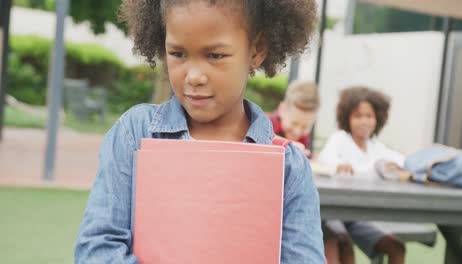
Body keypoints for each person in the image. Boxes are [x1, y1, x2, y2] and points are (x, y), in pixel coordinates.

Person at [74, 1, 325, 263]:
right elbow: (97, 249)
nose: (193, 76)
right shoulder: (134, 135)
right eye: (178, 54)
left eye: (215, 55)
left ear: (257, 50)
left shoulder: (288, 167)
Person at [318, 86, 406, 264]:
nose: (364, 121)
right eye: (358, 116)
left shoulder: (375, 147)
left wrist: (394, 166)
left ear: (377, 119)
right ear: (347, 118)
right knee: (341, 241)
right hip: (332, 213)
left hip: (357, 217)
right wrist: (339, 166)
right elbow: (325, 158)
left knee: (397, 247)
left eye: (369, 116)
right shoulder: (340, 139)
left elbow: (402, 161)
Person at [268, 80, 320, 158]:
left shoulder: (304, 138)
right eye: (294, 123)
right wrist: (289, 145)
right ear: (282, 110)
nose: (297, 131)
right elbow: (260, 138)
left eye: (305, 127)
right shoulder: (267, 123)